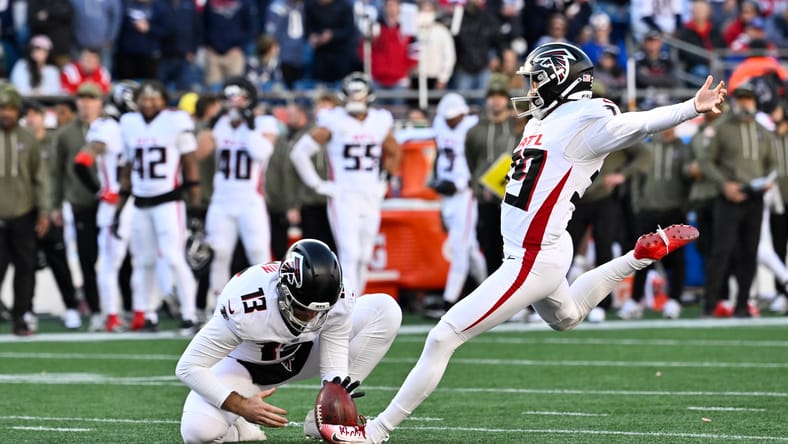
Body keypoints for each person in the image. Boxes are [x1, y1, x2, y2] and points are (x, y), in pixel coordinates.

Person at [319, 41, 726, 443]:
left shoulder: (588, 119)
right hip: (543, 247)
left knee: (444, 336)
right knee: (566, 318)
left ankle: (376, 432)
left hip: (533, 257)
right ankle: (637, 256)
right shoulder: (541, 122)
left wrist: (690, 107)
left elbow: (638, 124)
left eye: (536, 81)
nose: (530, 89)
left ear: (559, 81)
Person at [175, 239, 402, 443]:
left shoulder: (339, 296)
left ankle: (322, 418)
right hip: (245, 368)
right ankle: (240, 430)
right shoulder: (246, 304)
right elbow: (188, 366)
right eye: (304, 310)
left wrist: (335, 392)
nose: (312, 318)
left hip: (302, 356)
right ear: (284, 290)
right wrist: (241, 405)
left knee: (385, 310)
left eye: (319, 312)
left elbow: (335, 343)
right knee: (198, 433)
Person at [290, 72, 401, 297]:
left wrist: (385, 180)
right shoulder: (334, 120)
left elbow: (395, 152)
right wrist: (318, 185)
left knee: (365, 255)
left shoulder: (379, 121)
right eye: (351, 94)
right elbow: (299, 153)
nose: (355, 99)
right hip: (345, 196)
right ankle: (345, 305)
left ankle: (355, 301)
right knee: (349, 253)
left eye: (358, 94)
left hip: (370, 195)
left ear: (368, 96)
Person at [115, 80, 200, 333]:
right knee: (143, 261)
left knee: (174, 258)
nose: (149, 103)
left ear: (164, 100)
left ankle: (190, 313)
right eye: (144, 98)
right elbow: (128, 167)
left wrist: (195, 204)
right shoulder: (129, 123)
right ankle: (148, 314)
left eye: (155, 98)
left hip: (168, 200)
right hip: (140, 201)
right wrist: (120, 206)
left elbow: (190, 163)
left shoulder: (176, 121)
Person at [697, 82, 776, 317]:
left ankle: (742, 305)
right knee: (722, 251)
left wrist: (768, 180)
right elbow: (705, 161)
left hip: (755, 196)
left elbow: (772, 162)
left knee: (749, 251)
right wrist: (724, 185)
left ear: (755, 102)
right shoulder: (722, 127)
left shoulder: (763, 131)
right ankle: (710, 305)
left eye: (748, 99)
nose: (743, 103)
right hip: (729, 196)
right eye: (740, 98)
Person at [201, 77, 278, 302]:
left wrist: (249, 126)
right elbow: (200, 153)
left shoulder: (264, 123)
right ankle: (217, 305)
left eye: (239, 98)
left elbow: (261, 152)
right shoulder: (221, 123)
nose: (234, 103)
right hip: (221, 200)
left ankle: (269, 303)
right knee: (218, 254)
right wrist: (210, 125)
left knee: (258, 254)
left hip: (250, 200)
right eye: (230, 98)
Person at [73, 80, 140, 332]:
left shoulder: (131, 125)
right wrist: (100, 191)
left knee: (143, 261)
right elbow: (81, 161)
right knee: (112, 263)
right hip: (117, 205)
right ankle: (111, 315)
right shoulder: (108, 126)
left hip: (137, 203)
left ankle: (141, 314)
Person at [427, 93, 487, 318]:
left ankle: (448, 301)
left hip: (466, 194)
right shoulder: (440, 124)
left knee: (459, 248)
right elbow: (439, 154)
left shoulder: (472, 127)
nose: (451, 120)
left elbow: (481, 161)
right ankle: (489, 289)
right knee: (469, 248)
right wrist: (436, 179)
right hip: (447, 193)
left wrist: (464, 183)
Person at [51, 82, 104, 331]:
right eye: (82, 98)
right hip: (81, 203)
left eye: (91, 98)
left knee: (119, 258)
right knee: (87, 258)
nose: (86, 102)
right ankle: (95, 310)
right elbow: (56, 173)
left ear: (99, 102)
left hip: (114, 205)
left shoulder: (111, 127)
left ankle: (120, 308)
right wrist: (54, 205)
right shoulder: (65, 134)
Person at [0, 85, 50, 335]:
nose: (5, 113)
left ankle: (22, 317)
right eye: (1, 108)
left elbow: (40, 177)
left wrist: (44, 211)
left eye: (9, 108)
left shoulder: (28, 138)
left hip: (23, 212)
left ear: (17, 111)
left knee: (25, 268)